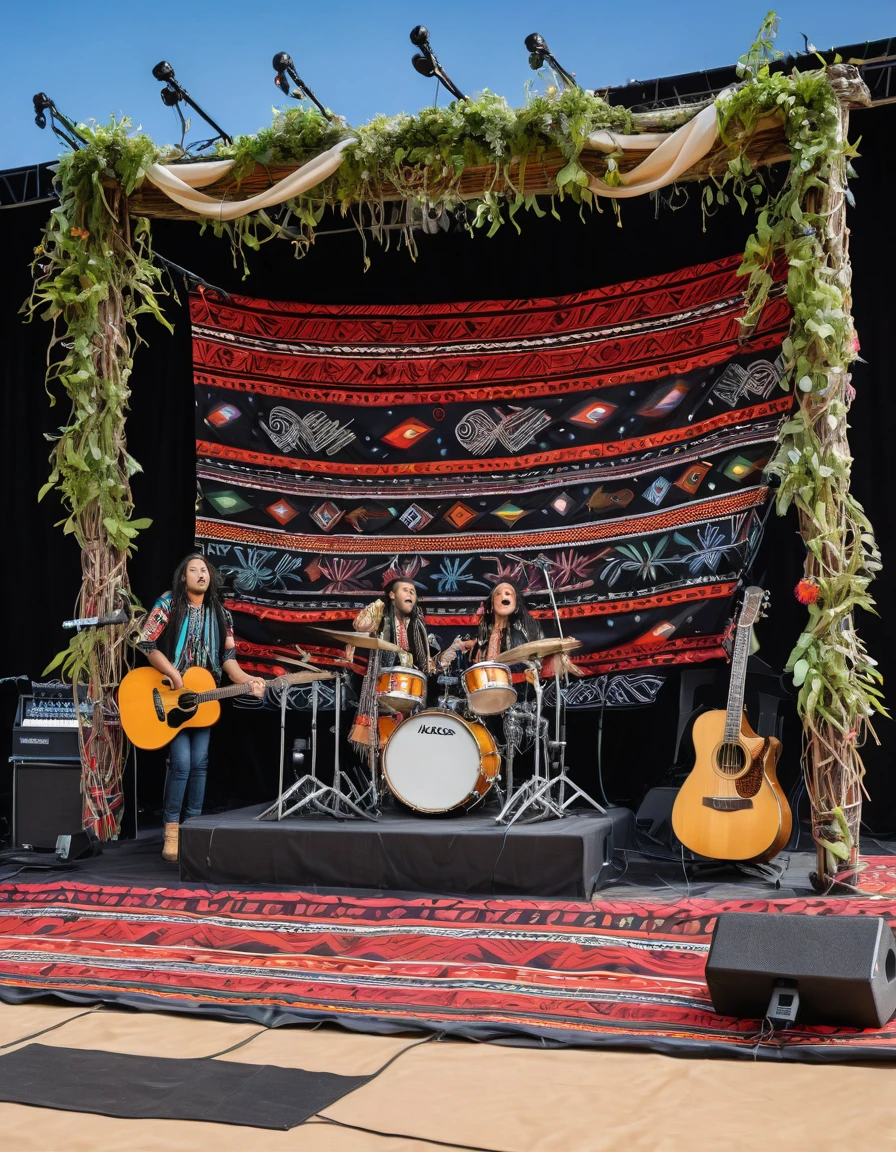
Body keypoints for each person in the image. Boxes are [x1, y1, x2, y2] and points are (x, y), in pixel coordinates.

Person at [136, 552, 264, 862]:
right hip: (171, 695)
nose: (200, 574)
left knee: (200, 764)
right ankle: (171, 831)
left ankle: (192, 827)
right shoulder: (168, 603)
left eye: (204, 570)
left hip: (203, 698)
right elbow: (146, 642)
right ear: (183, 577)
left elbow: (228, 661)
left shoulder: (222, 614)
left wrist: (250, 681)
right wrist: (173, 673)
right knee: (181, 763)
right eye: (193, 570)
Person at [349, 576, 434, 756]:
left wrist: (450, 653)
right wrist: (378, 605)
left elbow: (427, 666)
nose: (411, 593)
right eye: (405, 590)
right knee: (378, 748)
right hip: (380, 686)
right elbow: (359, 625)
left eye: (413, 591)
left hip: (410, 693)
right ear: (392, 595)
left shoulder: (417, 625)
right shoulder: (381, 617)